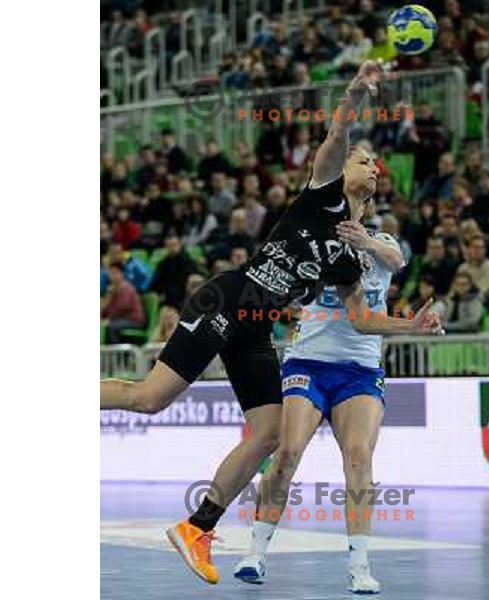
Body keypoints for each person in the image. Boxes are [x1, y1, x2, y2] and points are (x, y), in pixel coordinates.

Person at [99, 61, 442, 588]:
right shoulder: (323, 192)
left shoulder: (351, 255)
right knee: (150, 398)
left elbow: (360, 318)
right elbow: (338, 131)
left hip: (255, 327)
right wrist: (354, 92)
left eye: (376, 162)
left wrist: (410, 326)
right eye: (363, 158)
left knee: (270, 433)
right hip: (227, 299)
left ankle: (197, 528)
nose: (371, 165)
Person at [234, 215, 410, 594]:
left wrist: (366, 243)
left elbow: (397, 261)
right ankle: (255, 553)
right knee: (288, 451)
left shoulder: (382, 241)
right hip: (308, 362)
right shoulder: (314, 237)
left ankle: (359, 565)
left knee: (360, 455)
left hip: (359, 370)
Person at [149, 235, 198, 309]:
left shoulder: (187, 260)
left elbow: (191, 277)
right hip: (168, 296)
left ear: (179, 245)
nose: (172, 248)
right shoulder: (164, 263)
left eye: (174, 245)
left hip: (184, 295)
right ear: (166, 248)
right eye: (169, 246)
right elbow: (156, 282)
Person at [101, 263, 145, 343]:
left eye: (114, 273)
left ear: (122, 274)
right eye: (110, 273)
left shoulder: (127, 288)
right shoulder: (111, 290)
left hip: (134, 320)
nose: (112, 276)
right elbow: (105, 310)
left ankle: (115, 354)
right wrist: (108, 298)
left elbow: (122, 308)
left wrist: (109, 320)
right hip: (119, 319)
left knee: (111, 327)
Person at [457, 235, 489, 303]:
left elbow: (482, 291)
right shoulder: (462, 267)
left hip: (481, 301)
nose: (477, 250)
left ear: (485, 250)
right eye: (474, 247)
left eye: (480, 248)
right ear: (469, 249)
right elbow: (453, 290)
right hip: (459, 300)